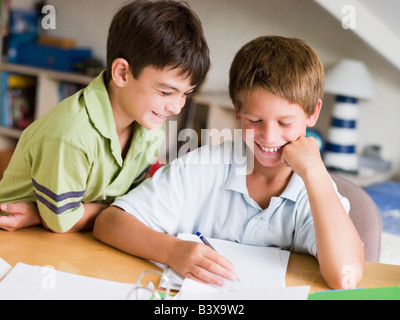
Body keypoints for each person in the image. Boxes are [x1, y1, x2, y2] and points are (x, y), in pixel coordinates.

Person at [93, 36, 364, 289]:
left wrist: (315, 172)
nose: (269, 136)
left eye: (285, 122)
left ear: (313, 113)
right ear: (237, 111)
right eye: (254, 121)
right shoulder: (201, 167)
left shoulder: (315, 187)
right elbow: (110, 223)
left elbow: (344, 276)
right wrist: (172, 250)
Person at [0, 0, 210, 233]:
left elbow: (135, 203)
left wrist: (39, 214)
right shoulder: (72, 136)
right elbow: (61, 222)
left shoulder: (150, 129)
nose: (177, 107)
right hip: (15, 237)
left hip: (69, 238)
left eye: (186, 94)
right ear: (122, 73)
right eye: (166, 92)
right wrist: (116, 210)